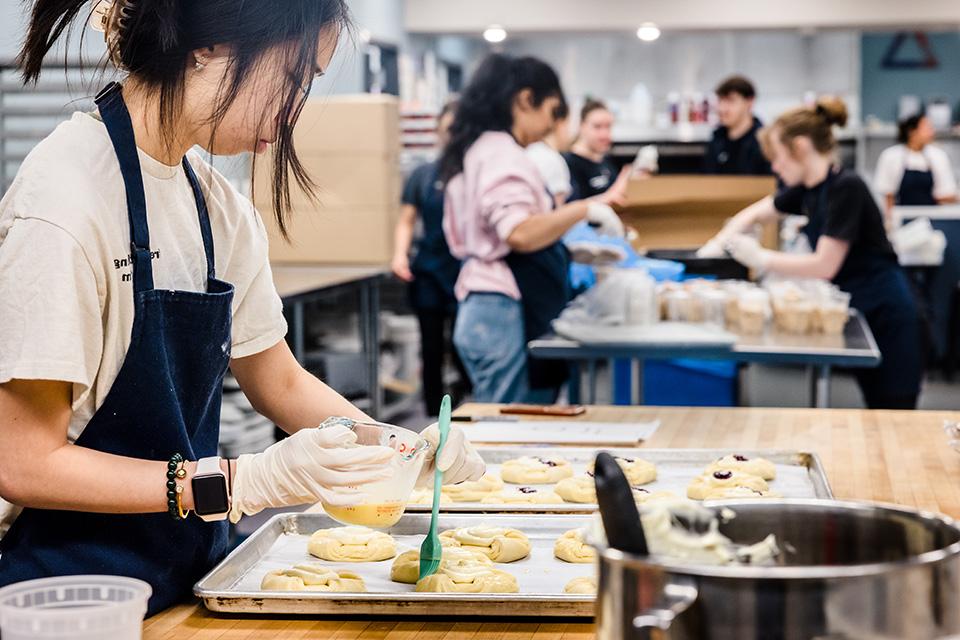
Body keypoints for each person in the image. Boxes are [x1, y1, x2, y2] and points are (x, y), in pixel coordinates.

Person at [0, 0, 483, 616]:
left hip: (187, 573)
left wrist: (391, 447)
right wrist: (235, 482)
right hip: (65, 591)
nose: (293, 115)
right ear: (211, 47)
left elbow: (277, 379)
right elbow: (24, 462)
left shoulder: (215, 206)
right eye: (294, 78)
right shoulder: (65, 206)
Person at [702, 98, 923, 409]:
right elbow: (754, 214)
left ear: (801, 147)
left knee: (893, 412)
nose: (775, 167)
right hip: (860, 306)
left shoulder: (846, 187)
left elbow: (825, 265)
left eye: (777, 158)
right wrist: (715, 245)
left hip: (887, 312)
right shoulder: (808, 188)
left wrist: (761, 258)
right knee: (874, 408)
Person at [440, 54, 624, 404]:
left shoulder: (479, 148)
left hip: (484, 308)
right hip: (500, 311)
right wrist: (584, 208)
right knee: (510, 422)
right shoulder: (501, 153)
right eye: (552, 111)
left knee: (505, 416)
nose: (552, 126)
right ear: (526, 100)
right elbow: (519, 233)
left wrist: (568, 250)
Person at [391, 101, 469, 416]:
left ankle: (469, 407)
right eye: (448, 129)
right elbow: (407, 219)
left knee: (465, 347)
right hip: (430, 272)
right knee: (432, 347)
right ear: (439, 132)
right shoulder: (422, 175)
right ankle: (434, 419)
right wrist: (399, 255)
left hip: (466, 271)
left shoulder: (475, 174)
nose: (453, 136)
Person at [875, 114, 958, 227]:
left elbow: (944, 194)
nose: (932, 132)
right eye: (927, 128)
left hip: (933, 220)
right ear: (912, 132)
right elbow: (888, 195)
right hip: (901, 220)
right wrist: (889, 221)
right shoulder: (891, 156)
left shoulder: (938, 156)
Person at [563, 99, 630, 204]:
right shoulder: (568, 164)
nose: (604, 134)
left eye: (608, 127)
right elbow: (569, 210)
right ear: (582, 126)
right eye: (597, 127)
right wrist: (610, 196)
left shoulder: (606, 162)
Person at [704, 75, 772, 175]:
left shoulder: (763, 142)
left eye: (731, 101)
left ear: (750, 102)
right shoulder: (717, 139)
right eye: (720, 100)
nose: (722, 109)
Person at [526, 101, 573, 208]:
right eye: (568, 125)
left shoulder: (530, 150)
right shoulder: (553, 160)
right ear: (560, 124)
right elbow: (557, 215)